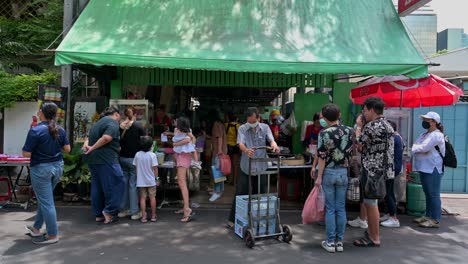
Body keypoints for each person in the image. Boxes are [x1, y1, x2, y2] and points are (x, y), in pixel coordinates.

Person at [22, 102, 71, 244]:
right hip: (58, 167)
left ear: (41, 112)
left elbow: (26, 153)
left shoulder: (36, 130)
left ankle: (52, 235)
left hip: (41, 169)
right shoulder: (59, 129)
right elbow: (67, 149)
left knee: (47, 202)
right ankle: (36, 228)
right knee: (46, 200)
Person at [227, 107, 280, 228]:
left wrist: (274, 145)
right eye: (249, 121)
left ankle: (257, 220)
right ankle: (232, 219)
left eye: (253, 121)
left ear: (258, 118)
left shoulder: (265, 128)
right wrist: (246, 150)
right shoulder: (242, 128)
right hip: (246, 166)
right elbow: (240, 143)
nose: (251, 124)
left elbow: (271, 140)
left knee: (260, 194)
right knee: (241, 192)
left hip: (261, 166)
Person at [354, 97, 394, 247]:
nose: (363, 114)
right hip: (382, 170)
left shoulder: (371, 126)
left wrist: (359, 128)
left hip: (372, 170)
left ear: (371, 110)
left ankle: (374, 237)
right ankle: (372, 234)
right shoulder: (387, 125)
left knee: (371, 203)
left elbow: (360, 146)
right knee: (373, 202)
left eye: (364, 111)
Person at [314, 104, 354, 253]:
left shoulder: (324, 133)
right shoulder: (349, 131)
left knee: (330, 209)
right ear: (340, 114)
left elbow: (322, 157)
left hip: (329, 172)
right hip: (343, 172)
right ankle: (339, 242)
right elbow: (351, 151)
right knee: (341, 208)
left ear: (324, 117)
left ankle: (330, 242)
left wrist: (319, 177)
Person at [83, 106, 124, 225]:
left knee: (98, 187)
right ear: (116, 114)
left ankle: (98, 214)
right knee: (117, 182)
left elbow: (87, 138)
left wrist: (88, 147)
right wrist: (92, 148)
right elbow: (107, 138)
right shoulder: (112, 122)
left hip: (94, 160)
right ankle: (109, 211)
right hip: (107, 159)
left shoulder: (97, 123)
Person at [411, 111, 445, 228]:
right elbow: (416, 146)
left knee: (433, 194)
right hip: (424, 167)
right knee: (428, 193)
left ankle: (435, 219)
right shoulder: (424, 134)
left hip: (433, 168)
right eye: (424, 119)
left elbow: (424, 147)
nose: (424, 121)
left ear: (434, 122)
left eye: (427, 120)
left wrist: (416, 148)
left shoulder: (437, 135)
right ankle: (428, 215)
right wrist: (417, 148)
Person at [118, 106, 146, 221]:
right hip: (134, 160)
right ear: (134, 114)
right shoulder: (138, 126)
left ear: (125, 115)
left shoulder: (120, 126)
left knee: (124, 184)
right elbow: (145, 141)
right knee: (133, 185)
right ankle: (134, 212)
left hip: (122, 158)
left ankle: (123, 210)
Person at [171, 117, 196, 222]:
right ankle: (185, 206)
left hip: (182, 157)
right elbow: (192, 140)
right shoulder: (183, 131)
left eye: (177, 122)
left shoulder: (185, 132)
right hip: (183, 156)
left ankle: (187, 209)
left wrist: (176, 144)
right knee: (182, 182)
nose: (175, 123)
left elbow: (190, 140)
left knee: (182, 183)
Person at [380, 120, 404, 228]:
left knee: (389, 193)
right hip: (394, 168)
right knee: (389, 192)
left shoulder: (393, 138)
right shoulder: (397, 137)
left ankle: (393, 218)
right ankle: (389, 214)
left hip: (392, 168)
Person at [134, 136, 160, 223]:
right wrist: (157, 179)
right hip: (151, 181)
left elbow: (136, 168)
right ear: (151, 146)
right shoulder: (152, 155)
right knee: (152, 198)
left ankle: (144, 216)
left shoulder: (137, 154)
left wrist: (138, 177)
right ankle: (153, 215)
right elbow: (155, 168)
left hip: (141, 181)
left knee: (142, 198)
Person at [210, 117, 228, 202]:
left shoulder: (216, 124)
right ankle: (220, 190)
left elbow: (219, 137)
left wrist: (219, 151)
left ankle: (217, 192)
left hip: (218, 152)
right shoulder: (221, 124)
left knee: (217, 172)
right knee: (220, 172)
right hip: (221, 152)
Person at [225, 113, 240, 185]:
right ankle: (234, 181)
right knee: (235, 165)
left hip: (227, 146)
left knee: (226, 164)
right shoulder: (238, 126)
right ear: (236, 119)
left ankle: (227, 179)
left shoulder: (226, 125)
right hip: (235, 147)